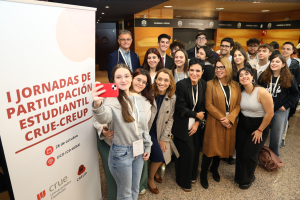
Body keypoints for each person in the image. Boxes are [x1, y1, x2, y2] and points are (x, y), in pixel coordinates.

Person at [92, 63, 152, 200]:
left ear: (132, 78)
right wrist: (97, 104)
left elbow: (143, 126)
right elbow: (103, 118)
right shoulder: (111, 100)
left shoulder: (137, 98)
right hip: (121, 153)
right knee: (125, 193)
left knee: (135, 189)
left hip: (139, 150)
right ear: (113, 80)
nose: (123, 80)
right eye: (118, 77)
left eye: (126, 76)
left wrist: (147, 145)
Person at [200, 57, 241, 189]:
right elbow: (208, 104)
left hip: (230, 122)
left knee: (222, 148)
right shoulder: (210, 84)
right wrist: (223, 118)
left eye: (221, 67)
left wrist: (230, 118)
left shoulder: (235, 85)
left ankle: (214, 169)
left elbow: (238, 105)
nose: (218, 70)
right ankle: (203, 173)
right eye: (216, 67)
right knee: (210, 149)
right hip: (215, 121)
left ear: (228, 68)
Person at [235, 67, 274, 190]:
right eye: (241, 75)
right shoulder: (240, 91)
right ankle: (239, 176)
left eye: (247, 74)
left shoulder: (261, 92)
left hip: (259, 126)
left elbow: (270, 114)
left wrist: (260, 130)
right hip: (243, 124)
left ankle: (248, 178)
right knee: (240, 152)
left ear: (252, 77)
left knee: (249, 154)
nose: (244, 77)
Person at [172, 58, 206, 192]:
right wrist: (196, 115)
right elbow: (180, 107)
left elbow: (203, 106)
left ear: (202, 72)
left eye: (198, 71)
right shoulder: (180, 85)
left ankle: (192, 175)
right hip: (182, 124)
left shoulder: (203, 84)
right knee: (187, 153)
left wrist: (197, 122)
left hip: (196, 126)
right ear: (188, 71)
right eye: (192, 70)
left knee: (195, 151)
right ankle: (183, 181)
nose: (194, 73)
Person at [258, 54, 299, 156]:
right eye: (272, 61)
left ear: (283, 64)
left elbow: (295, 94)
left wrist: (286, 106)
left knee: (276, 135)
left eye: (277, 62)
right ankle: (258, 154)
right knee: (260, 131)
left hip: (279, 110)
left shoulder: (290, 78)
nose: (274, 63)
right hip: (264, 109)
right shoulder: (264, 76)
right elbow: (257, 89)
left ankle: (273, 156)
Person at [147, 68, 179, 194]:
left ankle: (153, 173)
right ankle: (150, 178)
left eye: (166, 80)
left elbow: (170, 119)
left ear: (170, 82)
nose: (162, 82)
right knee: (159, 157)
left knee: (164, 153)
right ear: (155, 80)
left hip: (160, 132)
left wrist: (164, 138)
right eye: (159, 79)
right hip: (148, 130)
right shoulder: (148, 93)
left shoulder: (172, 98)